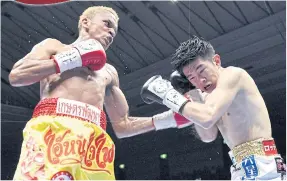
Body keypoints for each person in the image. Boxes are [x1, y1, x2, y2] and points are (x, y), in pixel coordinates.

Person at [9, 6, 194, 180]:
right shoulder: (55, 47)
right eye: (107, 24)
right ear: (85, 22)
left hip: (93, 144)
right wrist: (72, 58)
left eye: (115, 30)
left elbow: (123, 125)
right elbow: (17, 76)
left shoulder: (109, 73)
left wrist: (169, 119)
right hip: (53, 132)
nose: (112, 32)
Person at [141, 35, 286, 180]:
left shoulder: (233, 75)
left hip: (263, 166)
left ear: (216, 61)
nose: (200, 79)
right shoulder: (208, 97)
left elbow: (207, 117)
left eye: (201, 70)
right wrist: (191, 92)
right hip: (241, 167)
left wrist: (167, 94)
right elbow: (208, 136)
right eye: (191, 78)